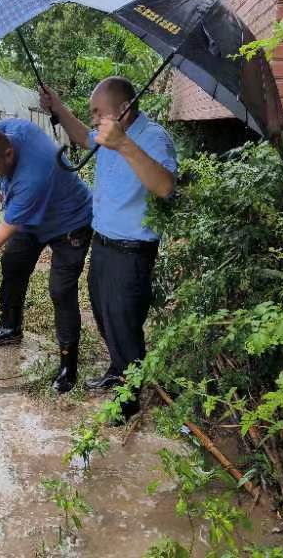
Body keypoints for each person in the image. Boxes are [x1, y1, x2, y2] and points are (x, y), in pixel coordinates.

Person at [40, 77, 177, 421]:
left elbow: (165, 188)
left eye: (98, 112)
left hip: (131, 251)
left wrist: (124, 144)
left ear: (123, 109)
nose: (93, 118)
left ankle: (128, 400)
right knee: (104, 314)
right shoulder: (104, 136)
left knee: (124, 324)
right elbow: (81, 136)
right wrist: (57, 106)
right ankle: (117, 370)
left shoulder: (153, 137)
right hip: (102, 243)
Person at [0, 118, 93, 393]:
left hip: (69, 222)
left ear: (9, 155)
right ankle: (10, 328)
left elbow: (2, 232)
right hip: (32, 221)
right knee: (13, 264)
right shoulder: (12, 130)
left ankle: (68, 365)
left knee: (61, 291)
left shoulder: (32, 179)